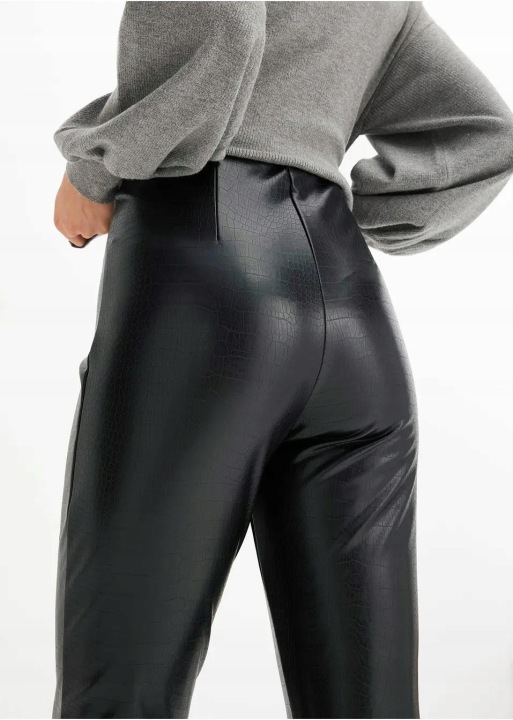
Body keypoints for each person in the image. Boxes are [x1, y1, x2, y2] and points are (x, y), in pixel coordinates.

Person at [51, 2, 513, 718]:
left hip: (204, 289)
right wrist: (372, 212)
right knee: (366, 704)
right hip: (351, 312)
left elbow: (225, 26)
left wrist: (96, 168)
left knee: (120, 692)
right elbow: (486, 131)